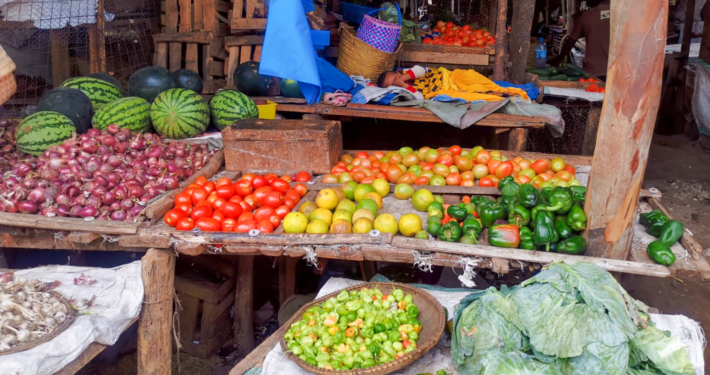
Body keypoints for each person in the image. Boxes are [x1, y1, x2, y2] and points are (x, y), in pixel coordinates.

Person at [550, 0, 611, 80]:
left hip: (594, 73)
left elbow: (571, 41)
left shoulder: (587, 16)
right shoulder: (623, 16)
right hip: (618, 72)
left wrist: (559, 58)